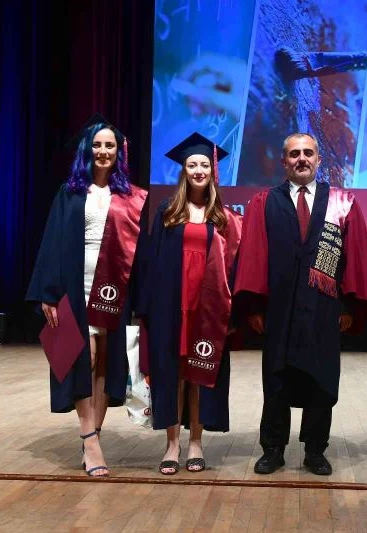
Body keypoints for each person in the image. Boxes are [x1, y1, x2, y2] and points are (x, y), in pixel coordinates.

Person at [234, 133, 367, 476]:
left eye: (308, 153)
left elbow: (355, 256)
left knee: (321, 380)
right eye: (294, 154)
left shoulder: (342, 202)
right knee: (276, 380)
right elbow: (253, 255)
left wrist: (348, 307)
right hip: (279, 307)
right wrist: (255, 307)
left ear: (318, 159)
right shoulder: (264, 202)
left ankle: (315, 450)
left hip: (323, 306)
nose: (302, 159)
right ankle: (273, 449)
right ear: (284, 161)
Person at [26, 113, 149, 477]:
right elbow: (51, 242)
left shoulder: (128, 197)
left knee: (105, 363)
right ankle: (89, 438)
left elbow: (139, 249)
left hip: (113, 288)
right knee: (82, 358)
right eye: (97, 145)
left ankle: (93, 434)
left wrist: (141, 298)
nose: (103, 151)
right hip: (74, 286)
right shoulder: (70, 192)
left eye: (110, 145)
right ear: (87, 149)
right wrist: (48, 293)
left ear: (118, 151)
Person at [137, 133, 242, 475]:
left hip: (207, 306)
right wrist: (146, 309)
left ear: (213, 171)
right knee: (173, 373)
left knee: (200, 372)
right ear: (184, 170)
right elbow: (151, 262)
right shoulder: (168, 212)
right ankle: (172, 444)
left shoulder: (223, 217)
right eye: (192, 165)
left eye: (204, 165)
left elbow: (233, 267)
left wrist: (232, 313)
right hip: (172, 304)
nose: (199, 170)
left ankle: (196, 441)